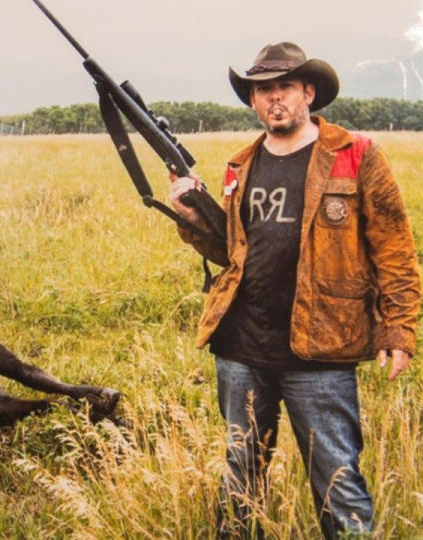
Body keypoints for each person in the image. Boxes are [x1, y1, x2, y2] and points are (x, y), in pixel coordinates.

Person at [169, 42, 421, 538]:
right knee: (241, 476)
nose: (274, 98)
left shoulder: (356, 156)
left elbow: (395, 248)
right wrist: (193, 217)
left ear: (309, 92)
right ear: (253, 101)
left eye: (284, 87)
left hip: (321, 350)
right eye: (263, 90)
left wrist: (398, 327)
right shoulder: (239, 166)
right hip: (242, 348)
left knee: (338, 482)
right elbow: (235, 252)